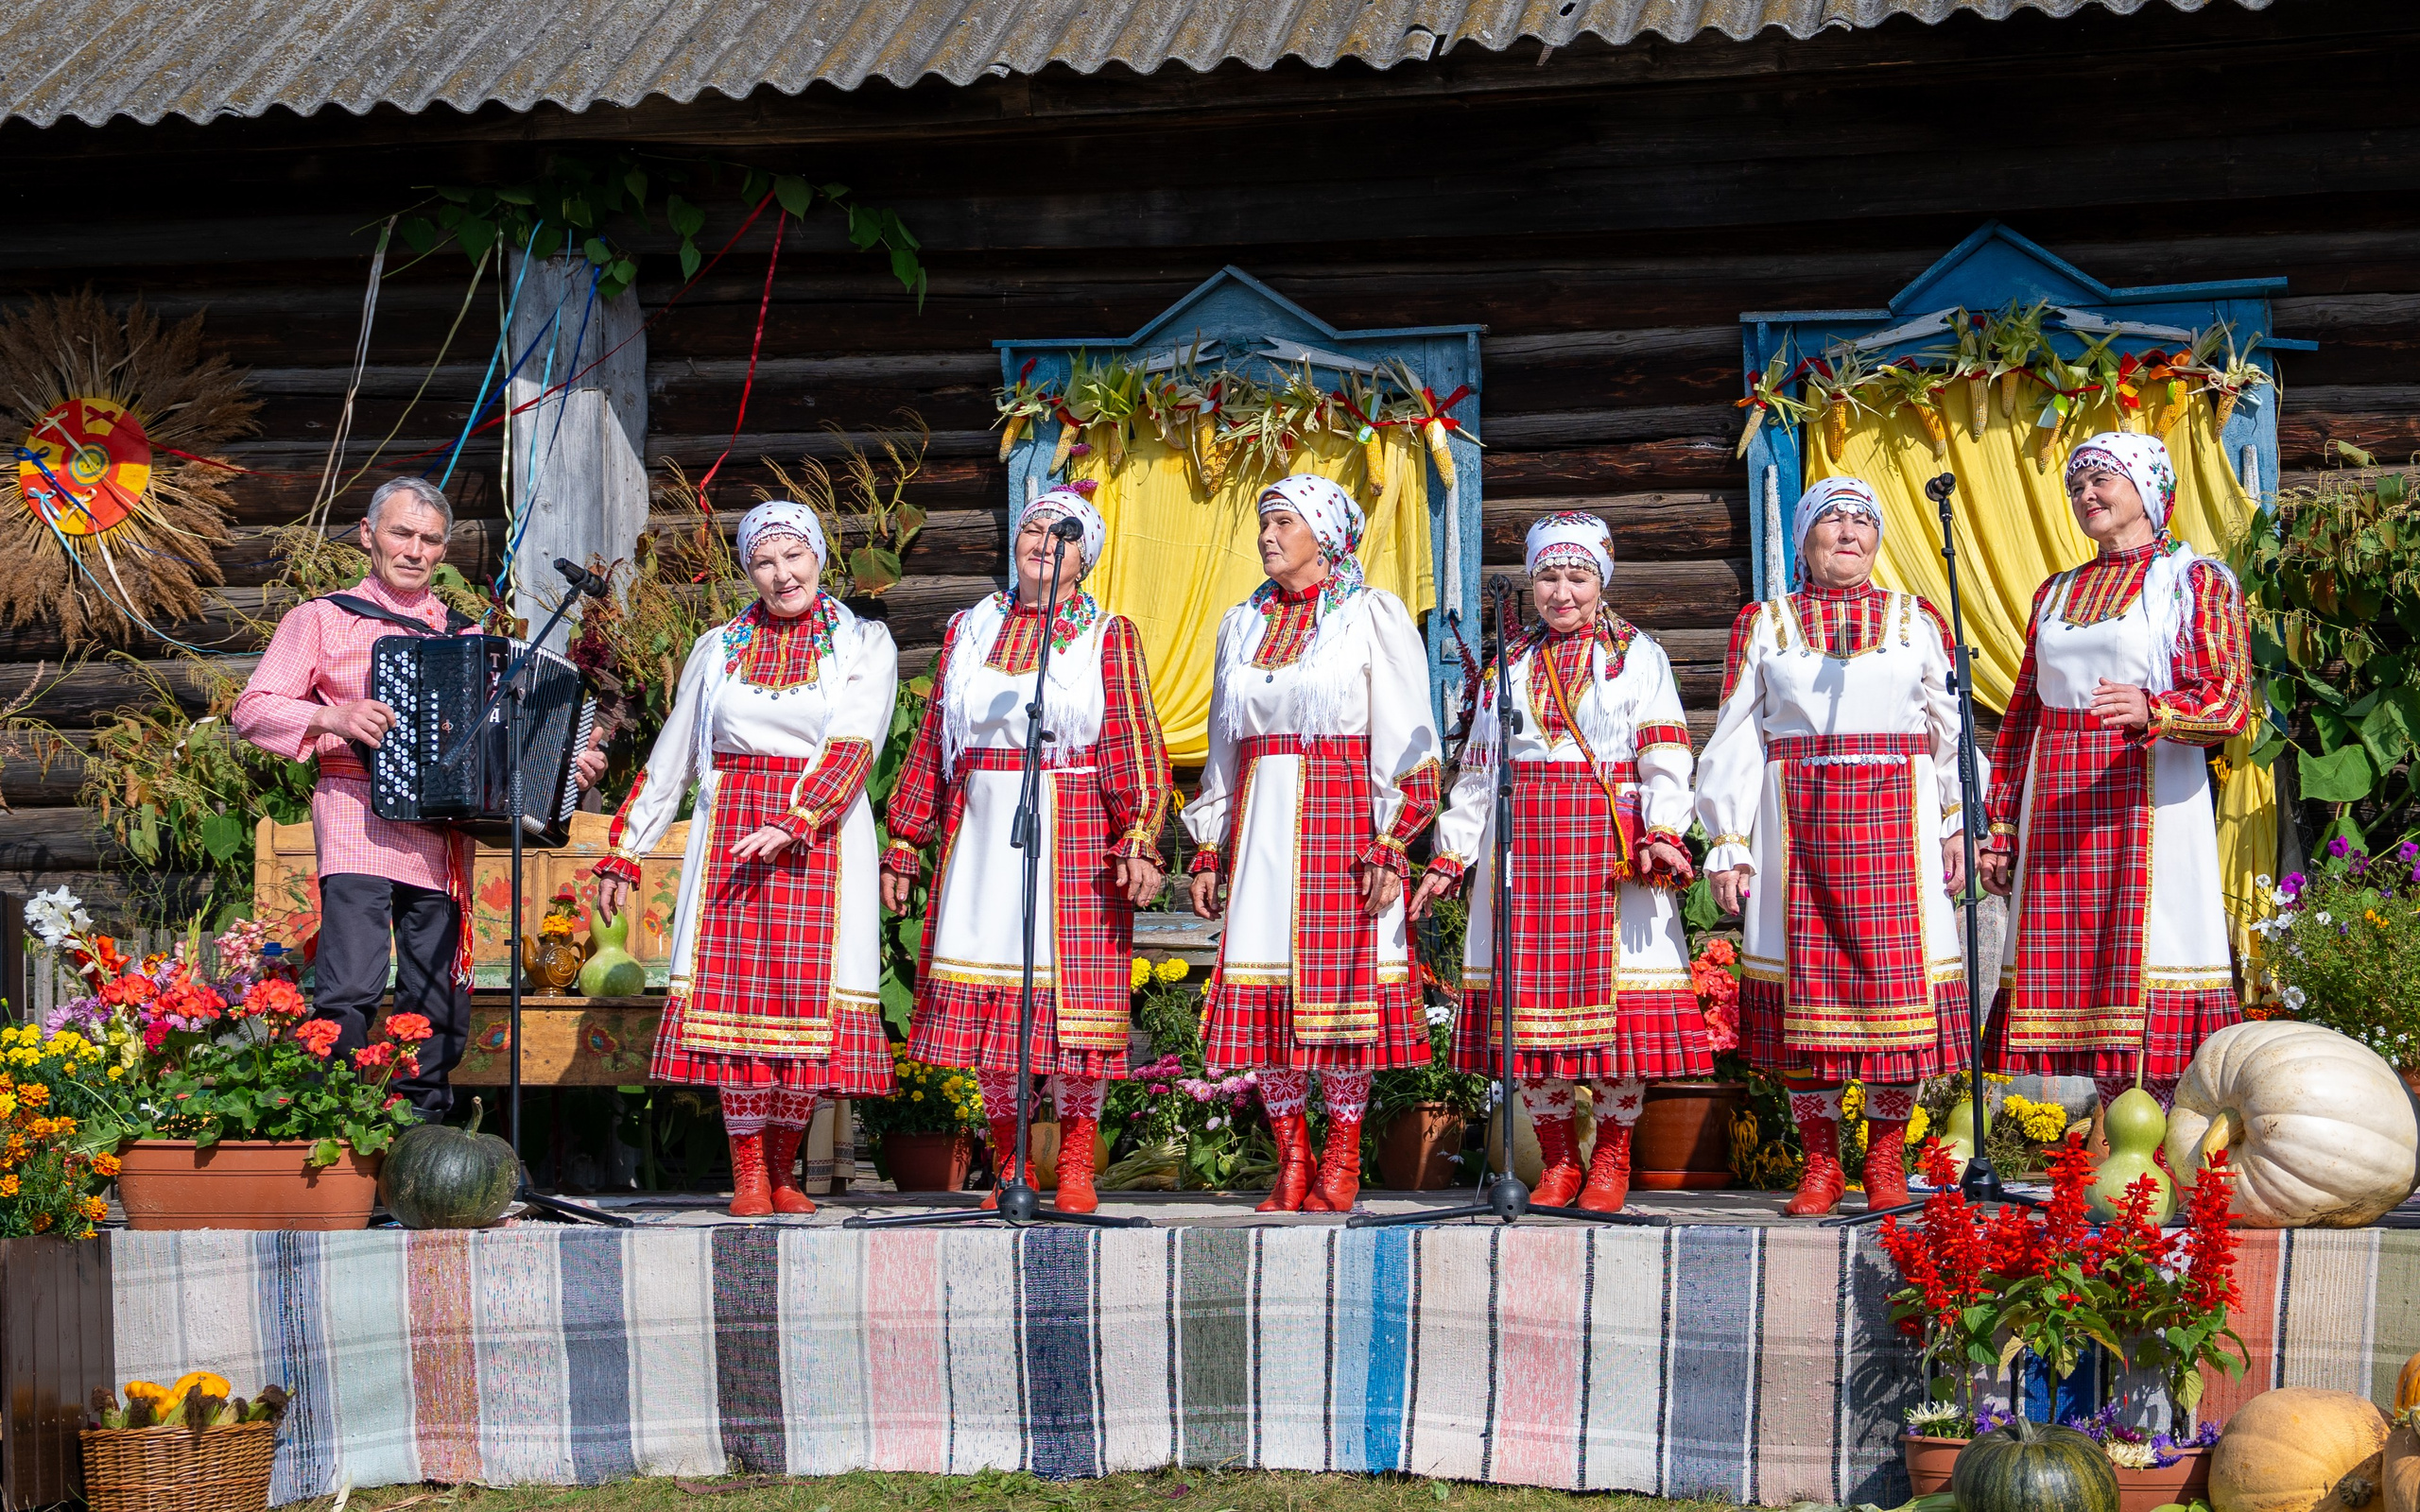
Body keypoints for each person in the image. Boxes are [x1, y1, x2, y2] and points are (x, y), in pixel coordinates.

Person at [233, 477, 604, 1118]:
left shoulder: (467, 638)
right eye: (402, 533)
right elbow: (252, 709)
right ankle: (339, 1125)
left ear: (442, 552)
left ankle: (419, 1128)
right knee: (349, 984)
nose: (415, 549)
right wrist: (334, 717)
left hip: (440, 835)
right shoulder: (322, 618)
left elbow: (502, 747)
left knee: (435, 995)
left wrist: (568, 764)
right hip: (357, 813)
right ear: (368, 534)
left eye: (430, 539)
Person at [593, 501, 899, 1217]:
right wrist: (627, 850)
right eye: (764, 560)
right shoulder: (721, 646)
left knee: (803, 1010)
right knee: (738, 1011)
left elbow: (857, 739)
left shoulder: (861, 644)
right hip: (732, 826)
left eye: (794, 556)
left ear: (820, 557)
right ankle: (748, 1174)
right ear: (748, 570)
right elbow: (672, 755)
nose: (781, 572)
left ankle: (786, 1169)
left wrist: (799, 817)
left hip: (820, 833)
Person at [882, 489, 1172, 1215]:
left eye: (1063, 534)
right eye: (1034, 527)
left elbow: (1132, 739)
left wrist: (1138, 836)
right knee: (995, 1002)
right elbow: (934, 741)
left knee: (1073, 1007)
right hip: (983, 824)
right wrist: (906, 841)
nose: (1044, 540)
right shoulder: (969, 630)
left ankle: (1076, 1165)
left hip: (1071, 821)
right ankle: (1012, 1161)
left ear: (1086, 557)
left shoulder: (1107, 632)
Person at [1695, 476, 1973, 1217]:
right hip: (1796, 827)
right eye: (1831, 520)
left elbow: (1951, 727)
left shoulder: (1919, 620)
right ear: (1805, 537)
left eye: (1861, 521)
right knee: (1801, 1003)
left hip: (1901, 826)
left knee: (1896, 995)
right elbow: (1734, 733)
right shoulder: (1765, 621)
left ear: (1879, 539)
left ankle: (1884, 1160)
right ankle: (1820, 1164)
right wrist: (1729, 841)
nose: (1847, 533)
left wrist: (1956, 822)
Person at [1409, 514, 1704, 1213]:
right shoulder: (1508, 664)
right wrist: (1451, 853)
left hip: (1611, 849)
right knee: (1528, 1016)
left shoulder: (1639, 655)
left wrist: (1665, 828)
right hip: (1523, 846)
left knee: (1618, 1016)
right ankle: (1559, 1160)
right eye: (1548, 576)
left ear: (1602, 582)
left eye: (1578, 577)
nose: (1561, 592)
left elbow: (1666, 749)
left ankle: (1610, 1162)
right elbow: (1479, 768)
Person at [1184, 473, 1443, 1214]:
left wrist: (1394, 839)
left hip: (1341, 820)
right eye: (1264, 523)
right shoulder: (1243, 623)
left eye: (1285, 524)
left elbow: (1405, 735)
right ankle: (1292, 1161)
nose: (1268, 536)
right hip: (1264, 822)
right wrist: (1208, 845)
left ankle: (1342, 1159)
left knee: (1339, 1004)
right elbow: (1223, 747)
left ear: (1326, 538)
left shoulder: (1370, 617)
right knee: (1267, 1002)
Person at [1979, 432, 2250, 1110]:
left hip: (2149, 790)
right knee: (2086, 973)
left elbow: (2230, 698)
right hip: (2063, 789)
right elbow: (2021, 716)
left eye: (2102, 480)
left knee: (2153, 948)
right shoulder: (2057, 591)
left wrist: (2154, 708)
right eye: (2077, 486)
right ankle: (2113, 1123)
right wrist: (2001, 825)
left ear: (2148, 488)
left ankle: (2159, 1125)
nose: (2087, 496)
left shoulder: (2195, 580)